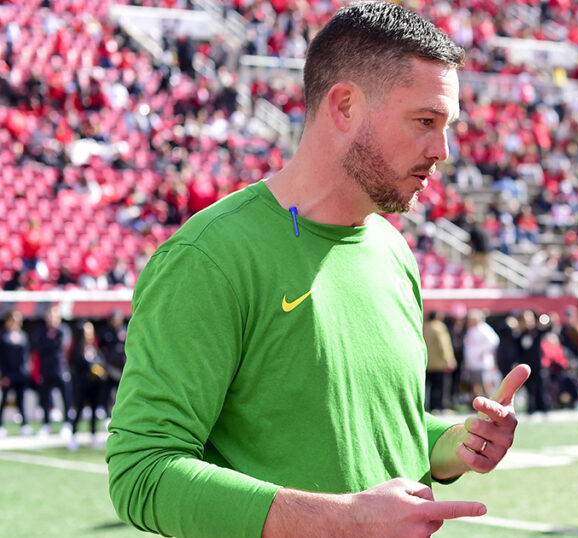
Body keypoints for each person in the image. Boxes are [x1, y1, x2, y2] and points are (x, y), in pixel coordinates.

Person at [106, 3, 530, 537]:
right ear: (345, 106)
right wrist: (343, 521)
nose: (442, 150)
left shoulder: (392, 250)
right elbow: (141, 473)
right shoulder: (210, 256)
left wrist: (455, 444)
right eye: (426, 121)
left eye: (447, 126)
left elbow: (376, 431)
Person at [68, 321, 110, 449]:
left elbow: (101, 362)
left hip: (94, 386)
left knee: (94, 411)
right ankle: (73, 436)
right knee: (79, 410)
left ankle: (93, 436)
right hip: (81, 385)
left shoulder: (94, 347)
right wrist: (91, 368)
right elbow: (78, 363)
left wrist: (100, 371)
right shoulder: (77, 348)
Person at [31, 303, 73, 435]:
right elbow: (39, 348)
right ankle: (46, 424)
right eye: (49, 315)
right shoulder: (41, 331)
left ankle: (67, 423)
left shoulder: (63, 330)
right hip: (46, 369)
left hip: (61, 369)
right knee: (44, 398)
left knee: (66, 398)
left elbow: (62, 346)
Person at [0, 310, 33, 436]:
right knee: (4, 401)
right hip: (9, 374)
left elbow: (26, 355)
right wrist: (4, 374)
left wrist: (27, 369)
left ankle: (24, 425)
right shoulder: (2, 335)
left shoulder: (22, 335)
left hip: (21, 374)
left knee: (21, 400)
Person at [423, 310, 456, 412]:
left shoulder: (425, 327)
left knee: (428, 386)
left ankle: (428, 406)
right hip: (438, 364)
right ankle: (437, 407)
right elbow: (444, 345)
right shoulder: (439, 327)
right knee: (438, 387)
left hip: (427, 362)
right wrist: (449, 359)